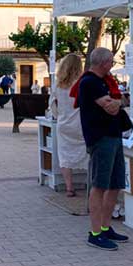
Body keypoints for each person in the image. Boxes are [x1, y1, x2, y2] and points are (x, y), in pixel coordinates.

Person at [77, 48, 131, 251]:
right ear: (103, 62)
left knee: (115, 183)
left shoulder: (105, 82)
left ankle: (106, 226)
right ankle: (95, 232)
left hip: (114, 136)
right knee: (99, 185)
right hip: (100, 138)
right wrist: (117, 102)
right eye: (111, 62)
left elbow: (118, 102)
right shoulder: (89, 82)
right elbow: (111, 106)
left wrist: (117, 102)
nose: (112, 66)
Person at [49, 53, 88, 198]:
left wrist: (58, 116)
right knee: (88, 153)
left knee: (64, 156)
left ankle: (69, 187)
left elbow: (52, 104)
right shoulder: (82, 82)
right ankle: (90, 184)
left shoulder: (58, 84)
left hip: (64, 124)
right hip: (81, 124)